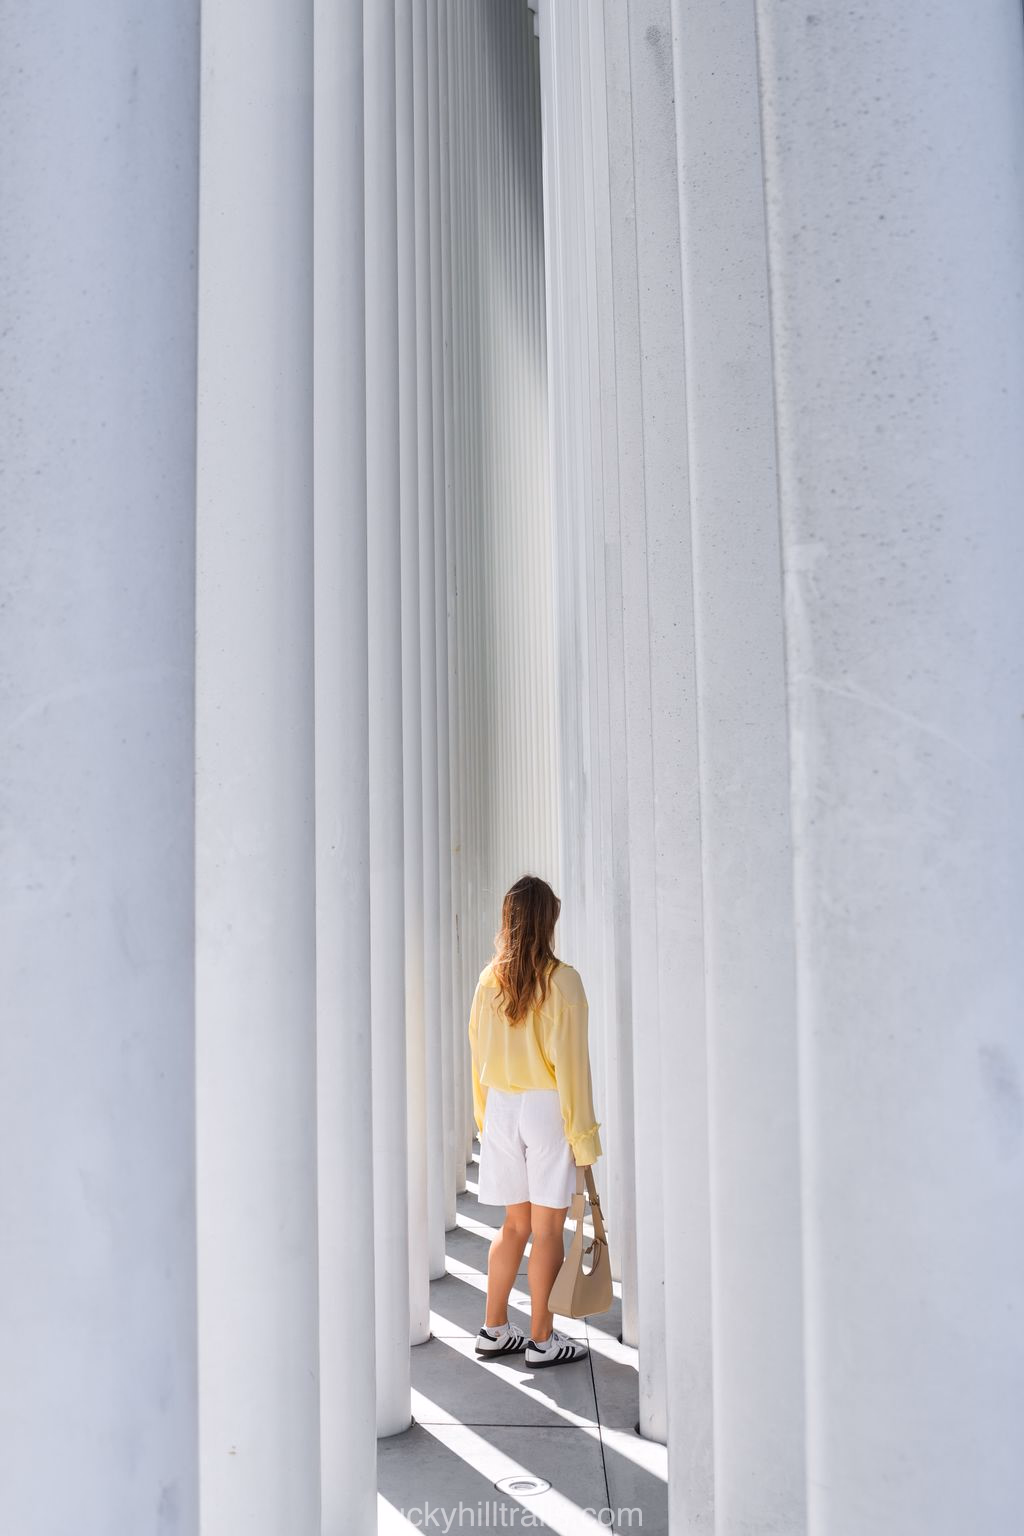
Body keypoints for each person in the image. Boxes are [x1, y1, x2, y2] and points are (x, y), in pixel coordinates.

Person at [467, 874, 603, 1368]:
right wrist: (584, 1139)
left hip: (502, 1106)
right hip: (546, 1108)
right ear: (548, 921)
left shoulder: (489, 982)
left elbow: (476, 1053)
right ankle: (543, 1341)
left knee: (513, 1225)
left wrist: (484, 1117)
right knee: (547, 1231)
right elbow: (573, 1069)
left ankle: (494, 1328)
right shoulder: (564, 981)